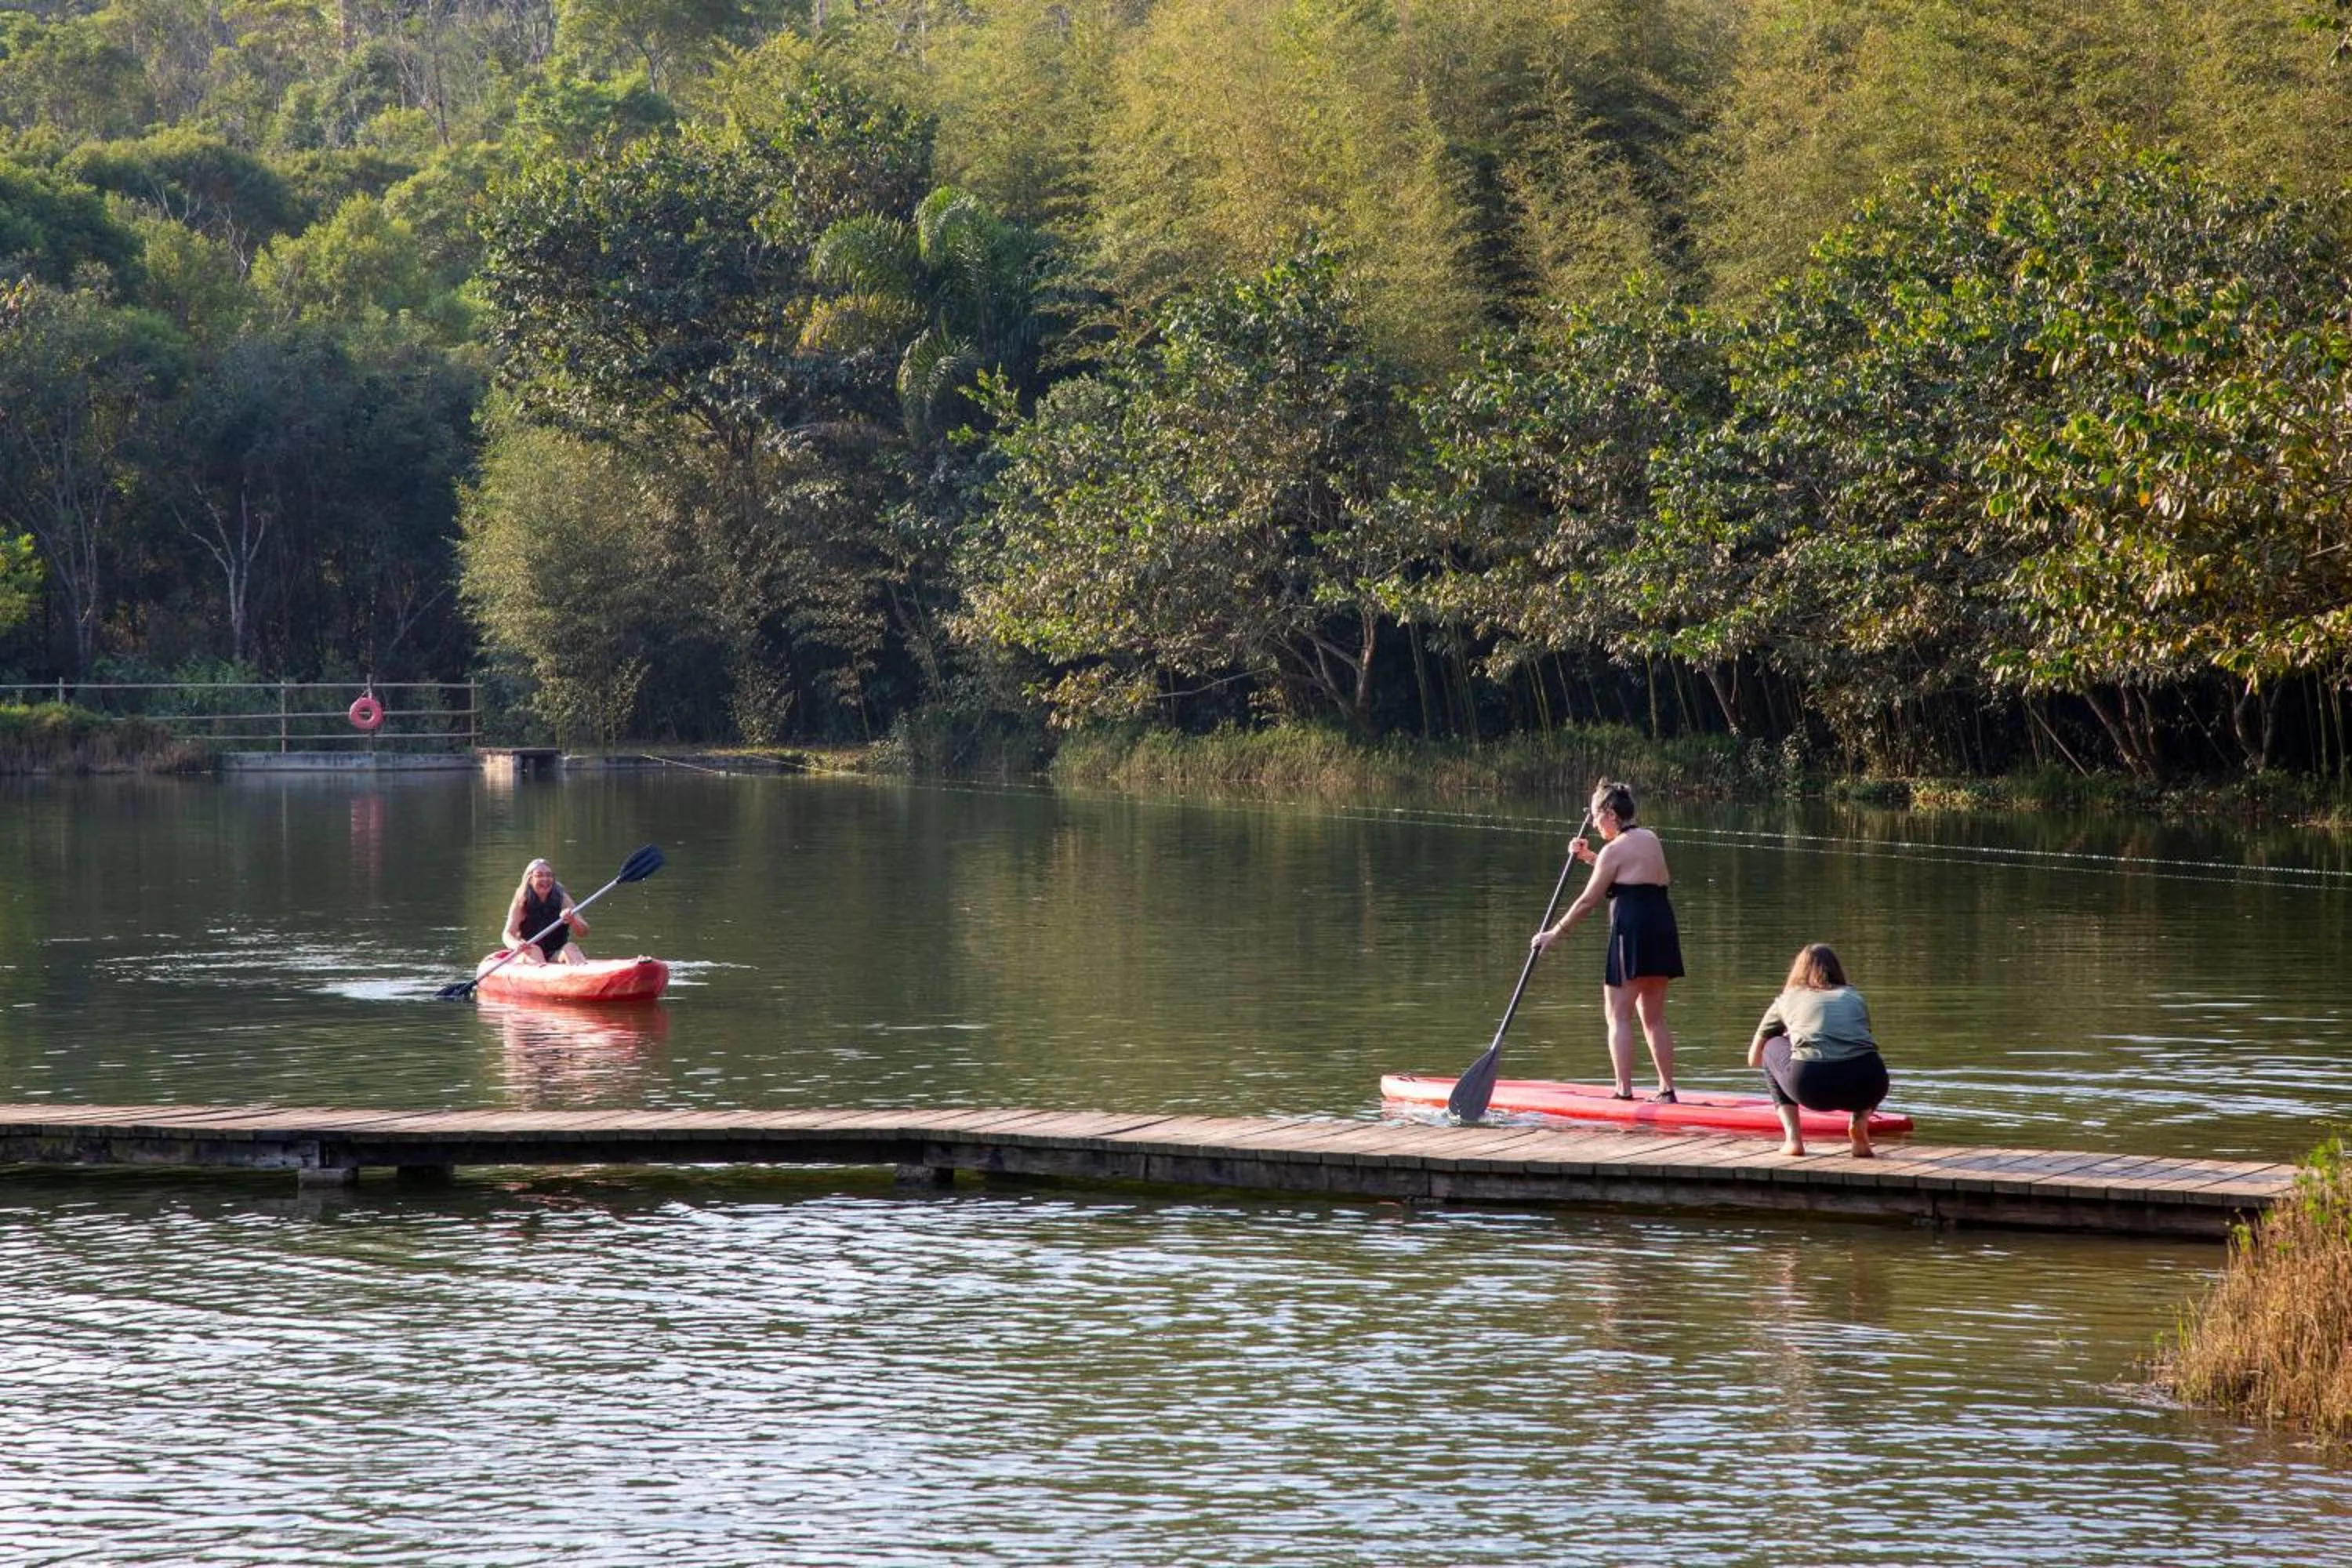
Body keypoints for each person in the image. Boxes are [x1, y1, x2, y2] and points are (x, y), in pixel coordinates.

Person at [1530, 779, 1682, 1102]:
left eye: (1598, 817)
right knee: (1654, 1018)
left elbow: (1588, 901)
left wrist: (1554, 934)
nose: (1596, 824)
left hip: (1633, 932)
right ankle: (1667, 1090)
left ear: (1611, 814)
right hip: (1662, 927)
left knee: (1618, 1016)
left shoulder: (1614, 850)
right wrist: (1588, 857)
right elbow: (1626, 872)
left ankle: (1623, 1092)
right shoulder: (1650, 839)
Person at [1747, 943, 1889, 1159]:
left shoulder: (1787, 999)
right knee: (1864, 1054)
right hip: (1869, 1085)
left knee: (1770, 1046)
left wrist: (1789, 1042)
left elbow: (1754, 1058)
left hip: (1812, 1086)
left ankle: (1793, 1140)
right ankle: (1860, 1126)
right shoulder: (1854, 996)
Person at [503, 858, 588, 965]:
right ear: (530, 879)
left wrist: (573, 920)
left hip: (556, 954)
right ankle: (543, 975)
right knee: (535, 950)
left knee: (570, 948)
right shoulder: (521, 901)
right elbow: (507, 934)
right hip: (529, 953)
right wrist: (516, 944)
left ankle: (580, 972)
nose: (545, 879)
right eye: (539, 875)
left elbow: (583, 931)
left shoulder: (562, 898)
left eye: (549, 875)